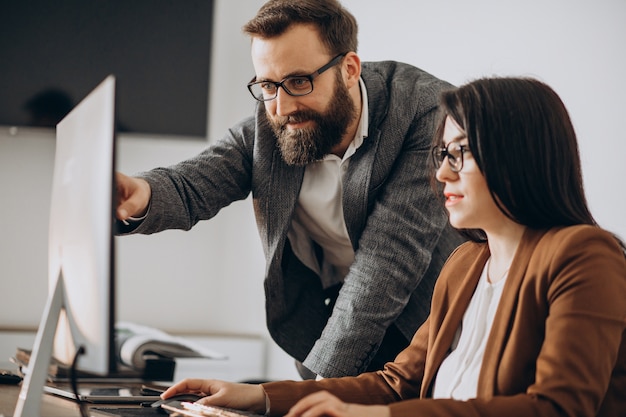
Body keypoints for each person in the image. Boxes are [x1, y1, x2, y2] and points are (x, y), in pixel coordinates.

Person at [159, 77, 626, 417]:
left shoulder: (584, 255)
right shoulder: (465, 264)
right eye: (442, 155)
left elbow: (558, 408)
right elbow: (396, 383)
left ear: (516, 155)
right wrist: (257, 397)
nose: (442, 173)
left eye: (460, 153)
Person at [115, 0, 463, 379]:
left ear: (349, 69)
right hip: (330, 318)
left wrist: (313, 388)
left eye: (299, 82)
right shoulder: (272, 124)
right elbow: (193, 184)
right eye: (267, 85)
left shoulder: (426, 111)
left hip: (429, 325)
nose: (281, 106)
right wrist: (139, 192)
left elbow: (388, 264)